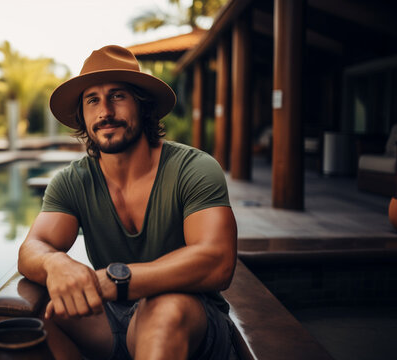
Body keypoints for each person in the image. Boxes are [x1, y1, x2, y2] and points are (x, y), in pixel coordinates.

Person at [18, 45, 237, 360]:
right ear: (83, 114)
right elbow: (32, 248)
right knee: (34, 319)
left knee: (164, 309)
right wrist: (56, 264)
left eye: (117, 96)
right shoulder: (72, 180)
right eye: (92, 100)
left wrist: (117, 280)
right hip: (111, 320)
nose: (105, 112)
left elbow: (218, 261)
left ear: (143, 106)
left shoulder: (194, 168)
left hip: (191, 319)